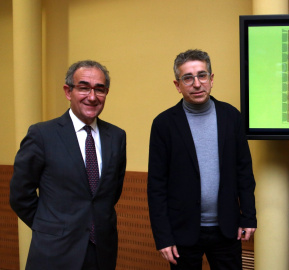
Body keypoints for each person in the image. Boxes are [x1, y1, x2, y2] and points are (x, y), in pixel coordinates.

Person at [10, 60, 127, 270]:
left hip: (101, 251)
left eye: (99, 89)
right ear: (68, 91)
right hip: (53, 251)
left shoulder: (117, 136)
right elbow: (20, 194)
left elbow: (111, 193)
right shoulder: (42, 134)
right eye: (83, 88)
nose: (92, 97)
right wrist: (49, 227)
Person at [147, 49, 257, 270]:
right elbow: (156, 186)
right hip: (183, 231)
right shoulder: (164, 124)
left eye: (202, 75)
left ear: (211, 79)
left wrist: (249, 216)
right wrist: (163, 237)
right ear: (178, 85)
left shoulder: (231, 117)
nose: (197, 84)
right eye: (188, 78)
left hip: (227, 228)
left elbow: (244, 171)